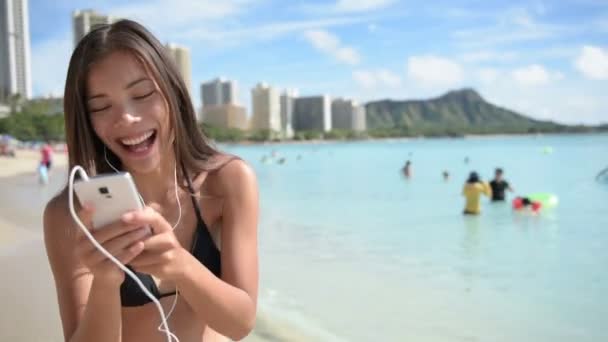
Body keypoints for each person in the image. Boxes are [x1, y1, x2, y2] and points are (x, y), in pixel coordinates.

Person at [43, 20, 258, 342]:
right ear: (87, 120)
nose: (127, 118)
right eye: (101, 106)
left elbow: (240, 324)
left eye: (143, 94)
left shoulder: (226, 181)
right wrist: (104, 282)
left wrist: (181, 265)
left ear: (173, 92)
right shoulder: (70, 215)